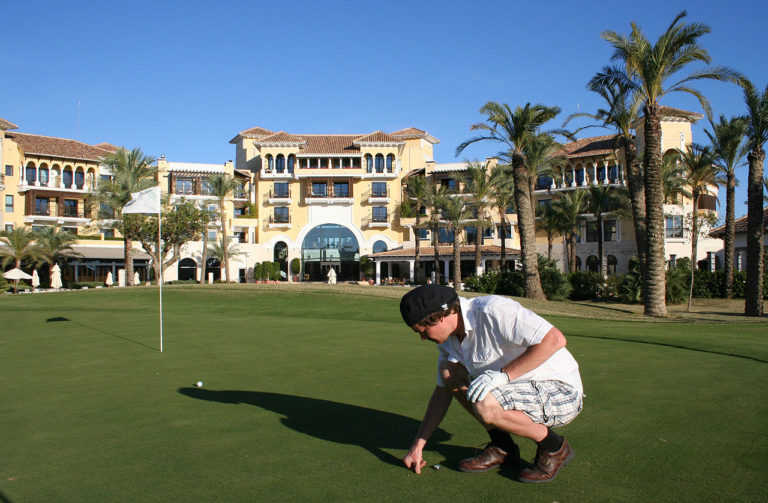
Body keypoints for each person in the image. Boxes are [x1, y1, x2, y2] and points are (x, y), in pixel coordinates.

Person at [399, 284, 583, 483]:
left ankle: (555, 447)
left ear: (440, 316)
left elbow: (554, 339)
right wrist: (417, 447)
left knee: (485, 404)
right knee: (448, 370)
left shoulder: (493, 310)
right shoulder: (448, 341)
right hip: (513, 390)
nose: (423, 338)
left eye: (424, 331)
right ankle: (503, 447)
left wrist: (504, 376)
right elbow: (442, 392)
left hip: (560, 390)